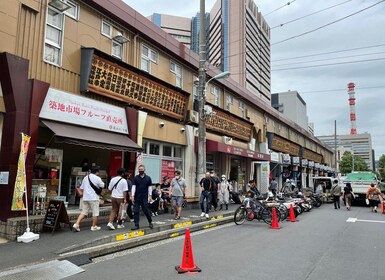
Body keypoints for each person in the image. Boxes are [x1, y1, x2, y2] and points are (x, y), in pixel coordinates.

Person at [73, 166, 104, 232]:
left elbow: (81, 188)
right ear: (97, 172)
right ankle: (93, 226)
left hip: (85, 198)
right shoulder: (97, 178)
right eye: (99, 171)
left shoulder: (85, 177)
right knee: (95, 213)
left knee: (83, 212)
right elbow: (102, 185)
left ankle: (77, 223)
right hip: (94, 198)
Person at [130, 165, 153, 230]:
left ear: (144, 170)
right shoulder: (135, 178)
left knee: (146, 210)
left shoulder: (148, 178)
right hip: (137, 197)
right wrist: (132, 195)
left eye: (142, 169)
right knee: (136, 211)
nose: (141, 171)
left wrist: (150, 196)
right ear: (138, 170)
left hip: (145, 197)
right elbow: (133, 187)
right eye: (139, 169)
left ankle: (150, 221)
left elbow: (150, 187)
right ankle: (136, 225)